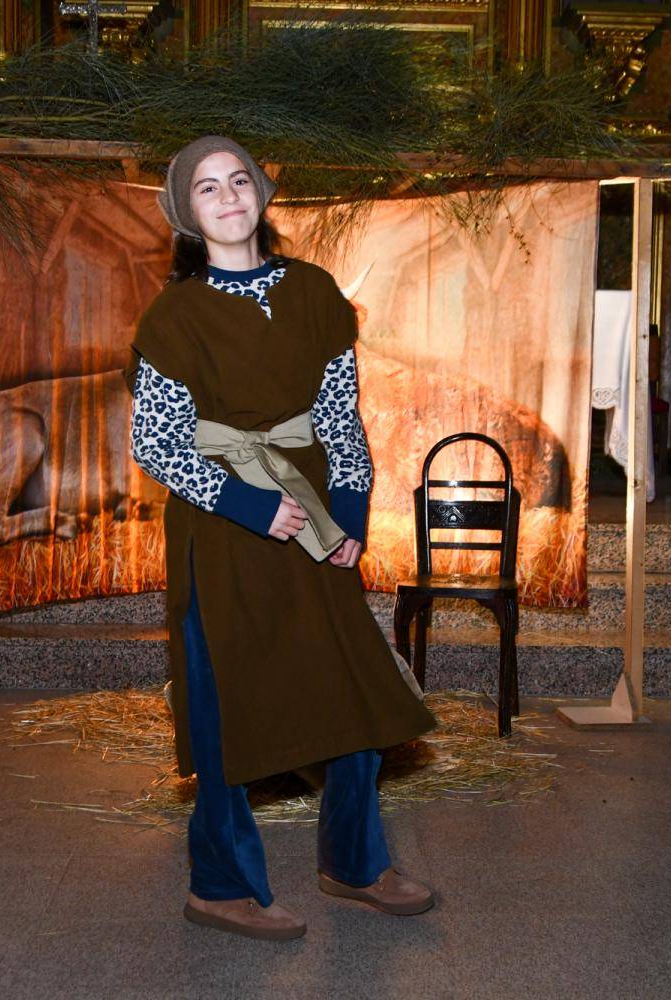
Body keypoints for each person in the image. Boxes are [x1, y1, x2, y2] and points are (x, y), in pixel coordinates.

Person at [128, 136, 437, 941]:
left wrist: (351, 518)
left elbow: (339, 416)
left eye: (239, 180)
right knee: (227, 707)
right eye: (207, 188)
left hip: (313, 517)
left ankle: (355, 861)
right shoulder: (173, 316)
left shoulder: (314, 292)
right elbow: (156, 443)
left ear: (262, 194)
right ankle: (220, 884)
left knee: (352, 689)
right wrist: (246, 504)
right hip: (221, 528)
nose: (228, 196)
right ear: (186, 214)